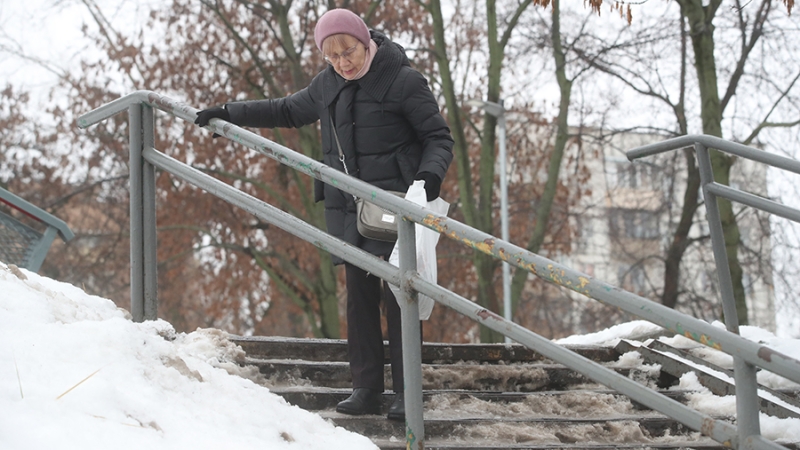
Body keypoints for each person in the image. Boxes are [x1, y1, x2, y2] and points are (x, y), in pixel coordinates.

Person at [195, 8, 453, 421]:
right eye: (332, 56)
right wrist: (227, 111)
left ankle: (407, 393)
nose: (343, 62)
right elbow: (284, 111)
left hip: (397, 207)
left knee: (398, 296)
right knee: (359, 298)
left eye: (348, 51)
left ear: (365, 41)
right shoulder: (327, 84)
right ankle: (366, 388)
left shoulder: (403, 80)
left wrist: (428, 179)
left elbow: (438, 137)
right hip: (349, 209)